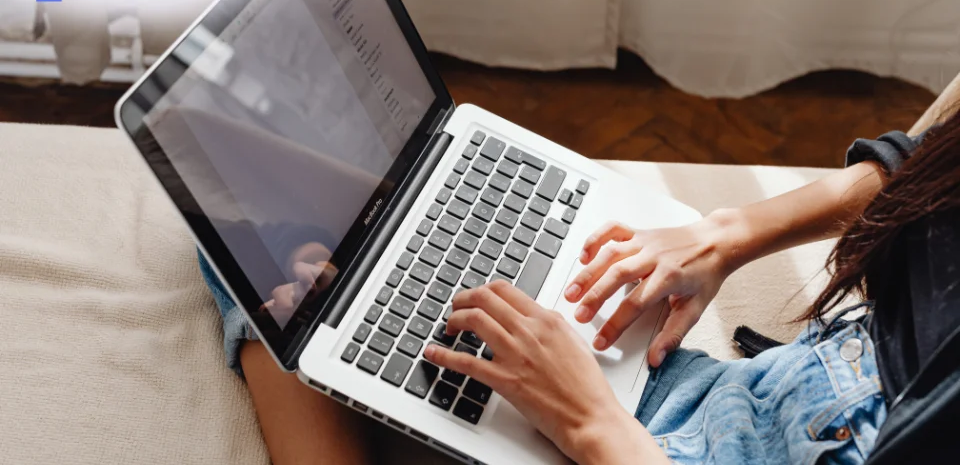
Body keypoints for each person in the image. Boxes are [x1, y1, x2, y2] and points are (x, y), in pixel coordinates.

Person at [201, 105, 958, 464]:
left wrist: (594, 425)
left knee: (255, 261)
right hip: (756, 396)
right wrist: (724, 235)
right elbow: (926, 164)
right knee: (292, 206)